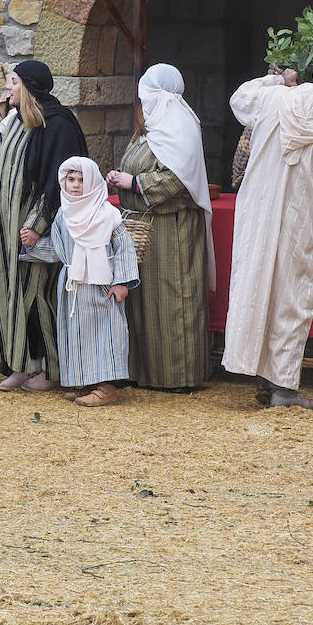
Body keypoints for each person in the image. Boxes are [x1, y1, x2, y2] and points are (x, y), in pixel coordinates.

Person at [221, 50, 313, 411]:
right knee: (292, 296)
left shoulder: (274, 99)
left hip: (261, 212)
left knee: (257, 284)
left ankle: (265, 378)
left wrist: (277, 79)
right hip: (304, 220)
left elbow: (239, 98)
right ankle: (280, 384)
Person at [0, 60, 88, 390]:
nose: (9, 88)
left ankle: (50, 368)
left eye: (14, 82)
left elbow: (58, 182)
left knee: (37, 294)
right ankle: (21, 363)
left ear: (30, 87)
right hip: (4, 227)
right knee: (13, 295)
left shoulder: (58, 125)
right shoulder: (18, 120)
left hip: (33, 230)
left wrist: (38, 224)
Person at [107, 63, 214, 393]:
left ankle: (177, 376)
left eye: (145, 96)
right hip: (145, 228)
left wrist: (135, 182)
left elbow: (179, 178)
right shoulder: (152, 128)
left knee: (173, 300)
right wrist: (120, 178)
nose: (142, 103)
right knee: (144, 302)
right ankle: (144, 371)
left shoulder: (180, 127)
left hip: (173, 230)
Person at [21, 157, 138, 407]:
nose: (75, 185)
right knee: (77, 334)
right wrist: (30, 247)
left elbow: (124, 248)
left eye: (82, 180)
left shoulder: (108, 214)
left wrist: (122, 283)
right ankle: (87, 381)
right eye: (71, 179)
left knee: (104, 333)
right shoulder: (64, 215)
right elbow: (57, 248)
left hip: (102, 286)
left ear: (94, 181)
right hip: (73, 286)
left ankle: (107, 387)